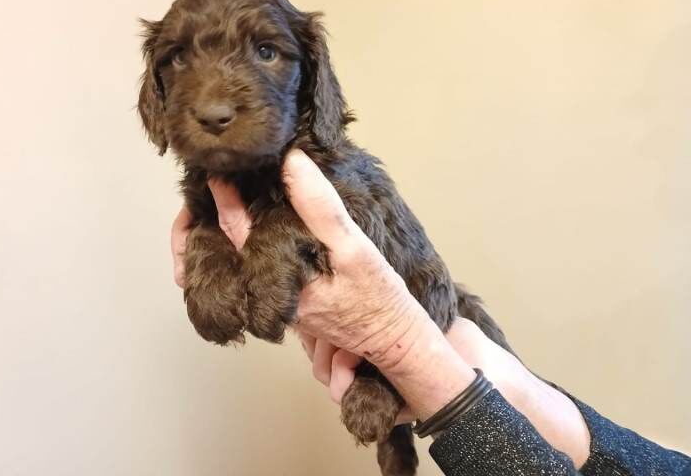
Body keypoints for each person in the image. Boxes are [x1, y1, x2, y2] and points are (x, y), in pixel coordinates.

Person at [171, 149, 690, 475]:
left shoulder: (319, 163)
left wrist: (406, 354)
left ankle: (392, 400)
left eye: (266, 52)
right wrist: (209, 253)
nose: (216, 98)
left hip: (429, 304)